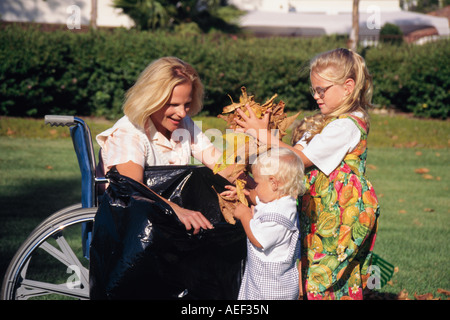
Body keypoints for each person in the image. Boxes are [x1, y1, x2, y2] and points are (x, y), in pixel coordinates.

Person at [233, 48, 380, 300]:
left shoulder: (347, 125)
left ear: (347, 87)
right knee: (310, 267)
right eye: (314, 90)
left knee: (328, 275)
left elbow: (299, 158)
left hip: (340, 213)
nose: (316, 96)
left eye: (322, 90)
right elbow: (292, 153)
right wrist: (267, 134)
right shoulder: (324, 122)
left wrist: (261, 134)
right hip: (319, 209)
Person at [96, 56, 227, 235]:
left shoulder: (184, 124)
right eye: (173, 104)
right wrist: (177, 210)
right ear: (152, 99)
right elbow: (132, 187)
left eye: (187, 104)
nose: (182, 113)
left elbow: (221, 164)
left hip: (164, 219)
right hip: (135, 225)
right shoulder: (128, 133)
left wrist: (253, 191)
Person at [221, 147, 305, 300]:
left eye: (257, 183)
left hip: (270, 290)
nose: (255, 187)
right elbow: (260, 201)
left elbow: (259, 239)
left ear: (273, 183)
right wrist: (244, 195)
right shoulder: (282, 201)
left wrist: (245, 215)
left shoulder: (277, 217)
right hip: (264, 283)